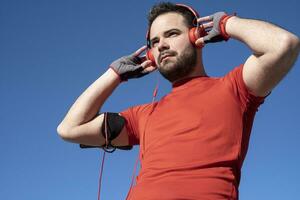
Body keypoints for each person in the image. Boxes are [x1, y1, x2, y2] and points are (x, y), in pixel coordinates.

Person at [57, 2, 299, 200]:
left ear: (197, 35)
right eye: (154, 42)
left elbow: (283, 45)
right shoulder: (142, 115)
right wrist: (115, 74)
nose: (161, 44)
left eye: (172, 34)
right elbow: (69, 129)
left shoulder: (234, 88)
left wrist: (226, 24)